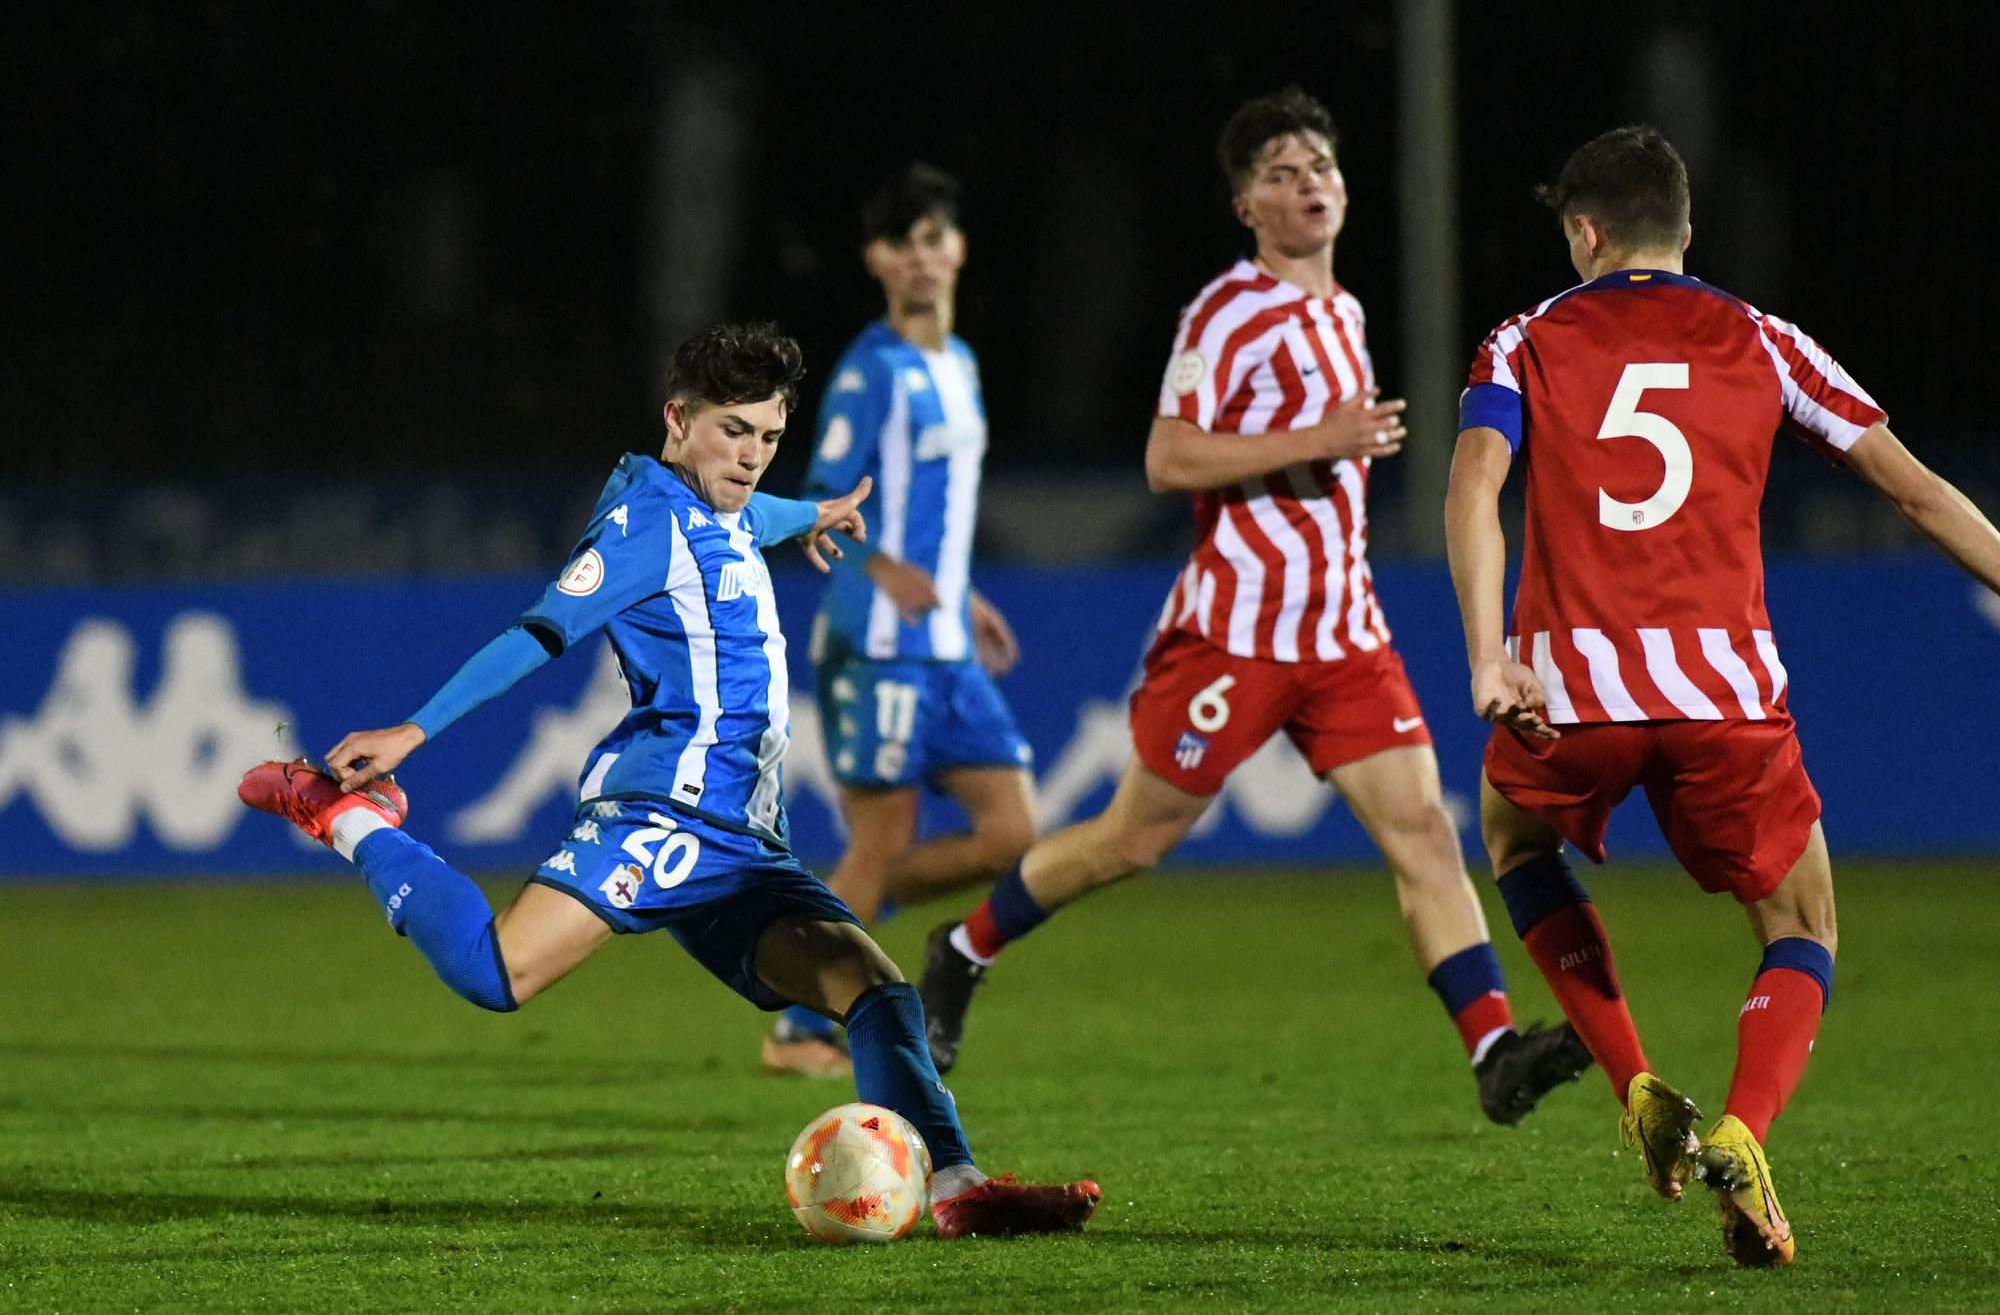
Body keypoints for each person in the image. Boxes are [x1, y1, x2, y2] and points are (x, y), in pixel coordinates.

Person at [237, 321, 1099, 1238]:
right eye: (735, 432)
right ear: (677, 419)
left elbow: (755, 516)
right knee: (498, 976)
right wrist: (415, 729)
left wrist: (816, 513)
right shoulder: (643, 524)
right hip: (669, 812)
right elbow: (539, 630)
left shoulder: (726, 505)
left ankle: (958, 1186)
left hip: (744, 840)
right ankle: (347, 818)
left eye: (769, 438)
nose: (754, 457)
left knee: (878, 994)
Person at [919, 87, 1592, 1126]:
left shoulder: (1344, 310)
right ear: (1245, 207)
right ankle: (961, 949)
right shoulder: (1224, 312)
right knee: (1131, 841)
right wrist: (1312, 441)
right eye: (1278, 173)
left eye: (1318, 166)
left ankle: (1493, 1047)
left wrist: (1326, 449)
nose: (1306, 183)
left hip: (1342, 633)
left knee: (1421, 829)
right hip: (1233, 635)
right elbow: (1166, 456)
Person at [1446, 125, 2000, 1266]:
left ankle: (1635, 1078)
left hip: (1572, 691)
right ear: (1685, 231)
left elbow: (1474, 483)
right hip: (1723, 699)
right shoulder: (1765, 339)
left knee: (1510, 838)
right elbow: (1913, 493)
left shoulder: (1523, 338)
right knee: (1802, 923)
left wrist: (1485, 656)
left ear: (1583, 232)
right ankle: (1743, 1131)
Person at [762, 166, 1037, 1078]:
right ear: (877, 260)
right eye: (902, 242)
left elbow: (938, 517)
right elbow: (813, 498)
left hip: (945, 642)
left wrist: (962, 593)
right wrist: (886, 570)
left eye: (935, 238)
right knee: (880, 845)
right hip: (874, 642)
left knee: (1013, 836)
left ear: (957, 249)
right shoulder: (869, 370)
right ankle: (798, 1030)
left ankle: (819, 919)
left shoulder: (959, 366)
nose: (921, 257)